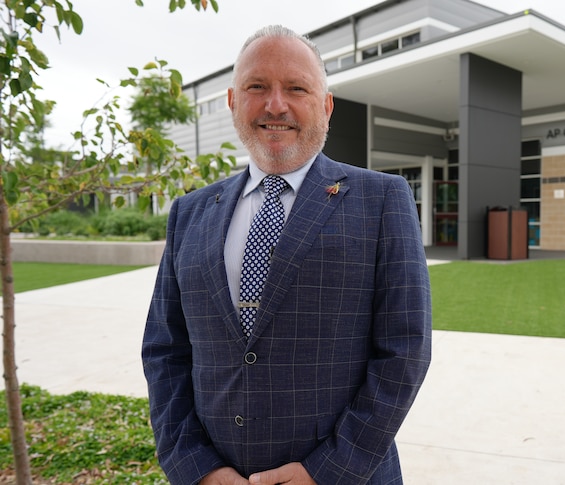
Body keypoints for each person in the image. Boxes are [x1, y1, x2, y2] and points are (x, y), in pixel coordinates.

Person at [142, 25, 432, 485]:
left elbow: (405, 351)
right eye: (257, 87)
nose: (276, 104)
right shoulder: (188, 213)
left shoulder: (382, 200)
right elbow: (164, 351)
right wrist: (196, 468)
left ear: (326, 105)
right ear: (234, 102)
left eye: (297, 88)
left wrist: (327, 472)